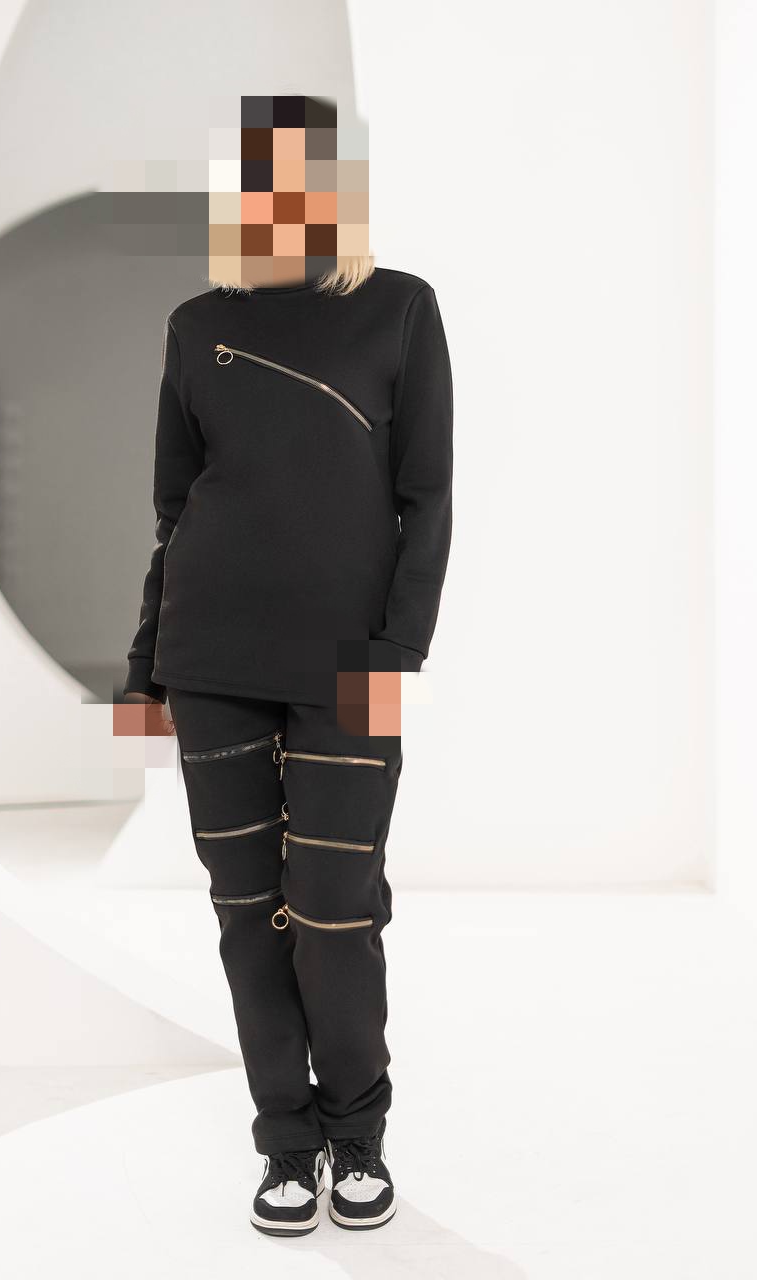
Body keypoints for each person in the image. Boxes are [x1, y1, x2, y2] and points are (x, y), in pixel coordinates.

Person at [117, 95, 453, 1237]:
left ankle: (358, 1133)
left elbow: (426, 496)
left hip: (350, 659)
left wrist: (397, 648)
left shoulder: (400, 307)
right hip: (209, 652)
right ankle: (286, 1145)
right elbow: (175, 510)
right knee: (245, 909)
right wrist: (143, 667)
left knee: (335, 908)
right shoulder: (194, 322)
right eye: (258, 177)